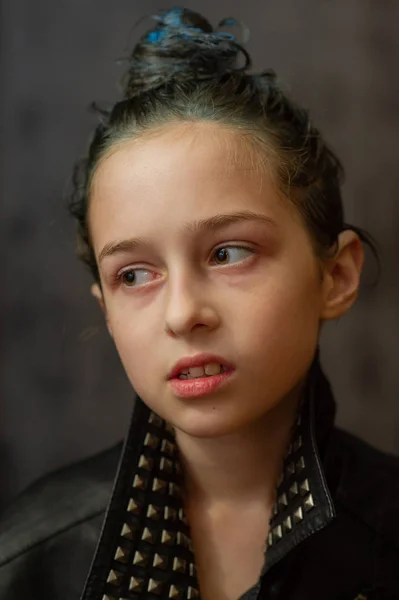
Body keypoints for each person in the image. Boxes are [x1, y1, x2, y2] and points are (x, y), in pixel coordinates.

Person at [0, 7, 398, 600]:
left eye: (229, 253)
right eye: (134, 274)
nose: (183, 313)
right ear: (105, 307)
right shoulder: (26, 562)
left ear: (335, 275)